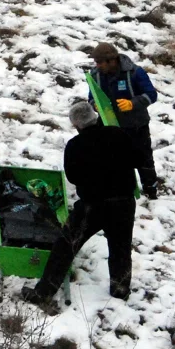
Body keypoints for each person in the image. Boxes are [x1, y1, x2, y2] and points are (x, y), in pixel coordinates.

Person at [21, 101, 144, 307]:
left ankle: (44, 292)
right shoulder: (118, 134)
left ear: (76, 125)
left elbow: (72, 177)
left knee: (66, 245)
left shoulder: (75, 146)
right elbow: (137, 159)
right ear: (95, 115)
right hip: (123, 203)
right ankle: (120, 288)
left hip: (92, 206)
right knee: (120, 247)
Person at [88, 42, 159, 199]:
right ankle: (116, 187)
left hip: (136, 125)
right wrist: (95, 106)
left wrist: (132, 103)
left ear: (111, 60)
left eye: (100, 62)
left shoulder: (135, 73)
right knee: (110, 159)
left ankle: (150, 189)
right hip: (109, 125)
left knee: (143, 158)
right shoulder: (95, 75)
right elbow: (91, 97)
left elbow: (151, 95)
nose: (97, 65)